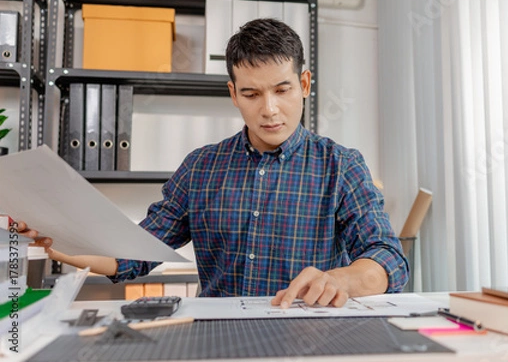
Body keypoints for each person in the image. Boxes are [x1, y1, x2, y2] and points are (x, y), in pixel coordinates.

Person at [18, 18, 409, 308]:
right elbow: (135, 254)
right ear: (233, 94)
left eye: (283, 89)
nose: (270, 110)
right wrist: (61, 240)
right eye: (252, 94)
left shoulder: (340, 166)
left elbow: (388, 259)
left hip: (306, 336)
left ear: (304, 84)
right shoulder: (201, 168)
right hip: (217, 339)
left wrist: (340, 279)